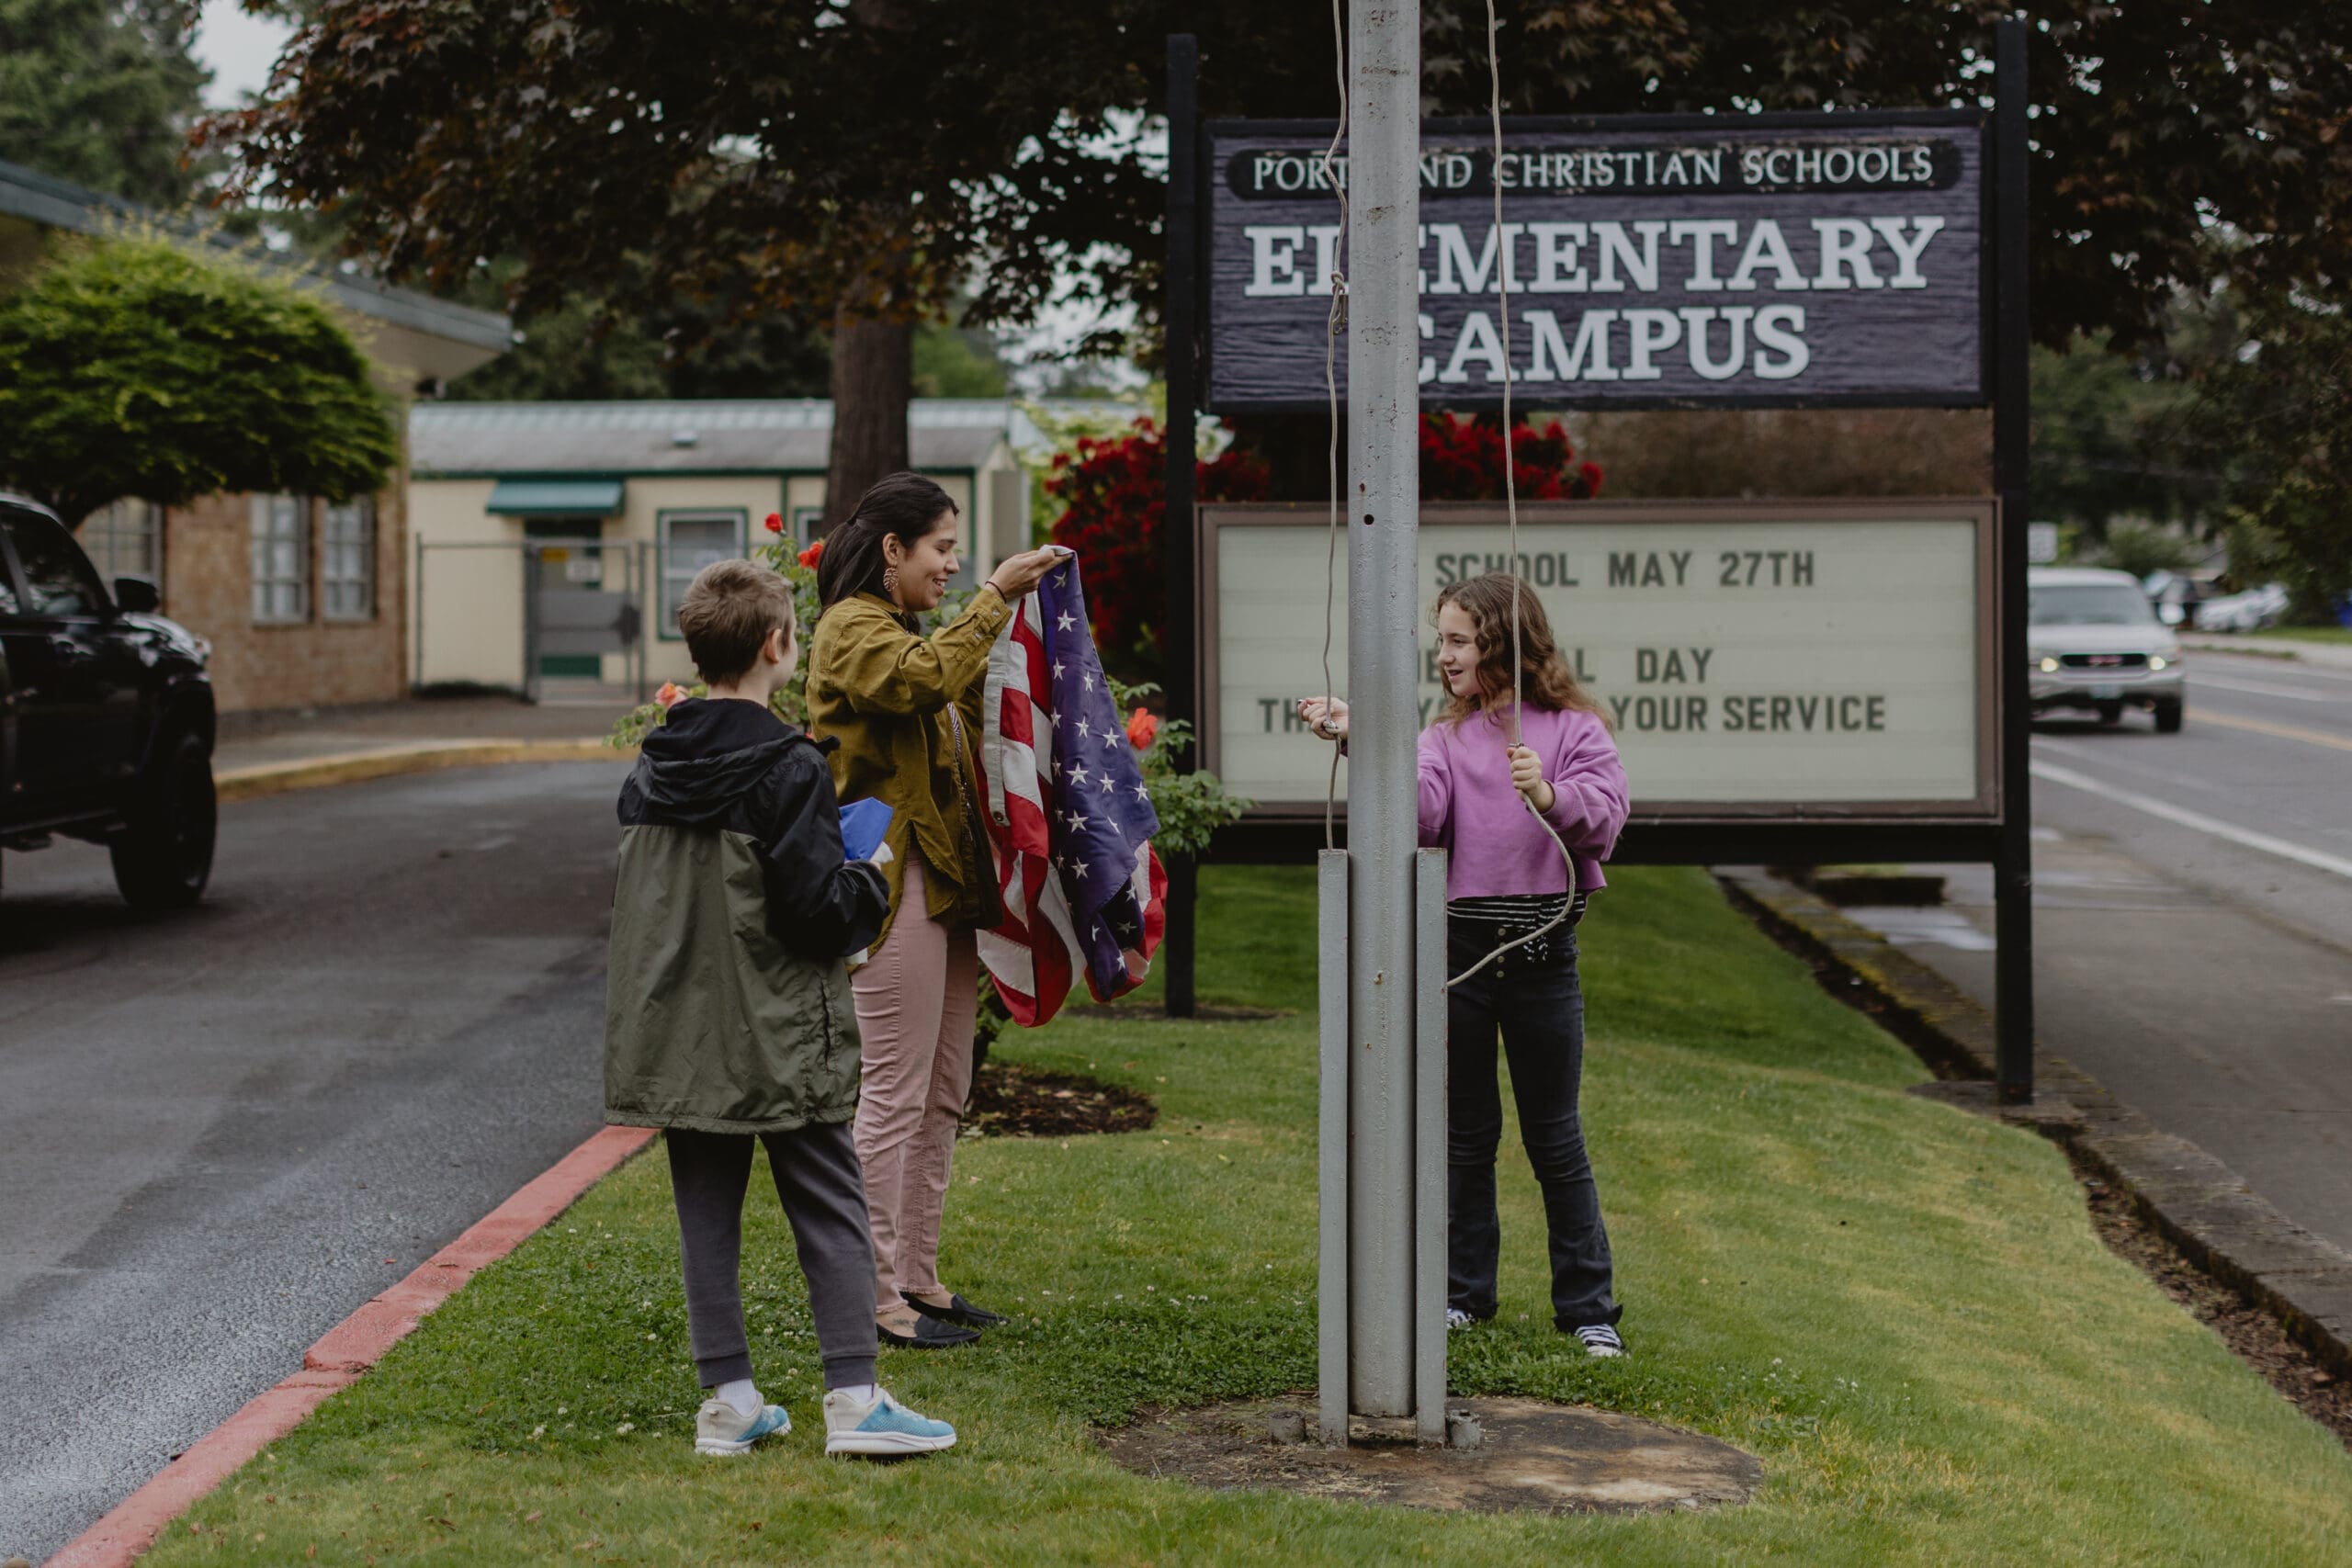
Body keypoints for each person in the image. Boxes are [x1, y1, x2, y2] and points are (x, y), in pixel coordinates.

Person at [603, 557, 958, 1459]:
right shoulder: (788, 760)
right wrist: (871, 880)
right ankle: (853, 1402)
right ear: (777, 645)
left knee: (706, 1215)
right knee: (830, 1203)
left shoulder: (655, 761)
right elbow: (811, 908)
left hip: (678, 1028)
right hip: (777, 1023)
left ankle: (727, 1403)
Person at [1296, 571, 1633, 1356]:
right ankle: (1462, 1296)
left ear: (1503, 643)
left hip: (1545, 962)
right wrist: (1361, 740)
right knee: (1465, 1135)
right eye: (1440, 639)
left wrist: (1547, 794)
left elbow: (1606, 821)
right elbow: (1418, 812)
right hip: (1462, 960)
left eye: (1458, 640)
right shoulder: (1443, 738)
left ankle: (1588, 1309)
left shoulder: (1574, 729)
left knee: (1556, 1139)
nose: (1443, 656)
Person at [806, 472, 1067, 1349]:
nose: (954, 565)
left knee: (943, 1091)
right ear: (893, 549)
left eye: (959, 552)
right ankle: (876, 1298)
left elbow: (956, 706)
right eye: (942, 548)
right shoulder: (852, 629)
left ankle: (918, 1277)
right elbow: (921, 684)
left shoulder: (903, 630)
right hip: (892, 884)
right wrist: (996, 596)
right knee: (892, 1093)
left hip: (946, 882)